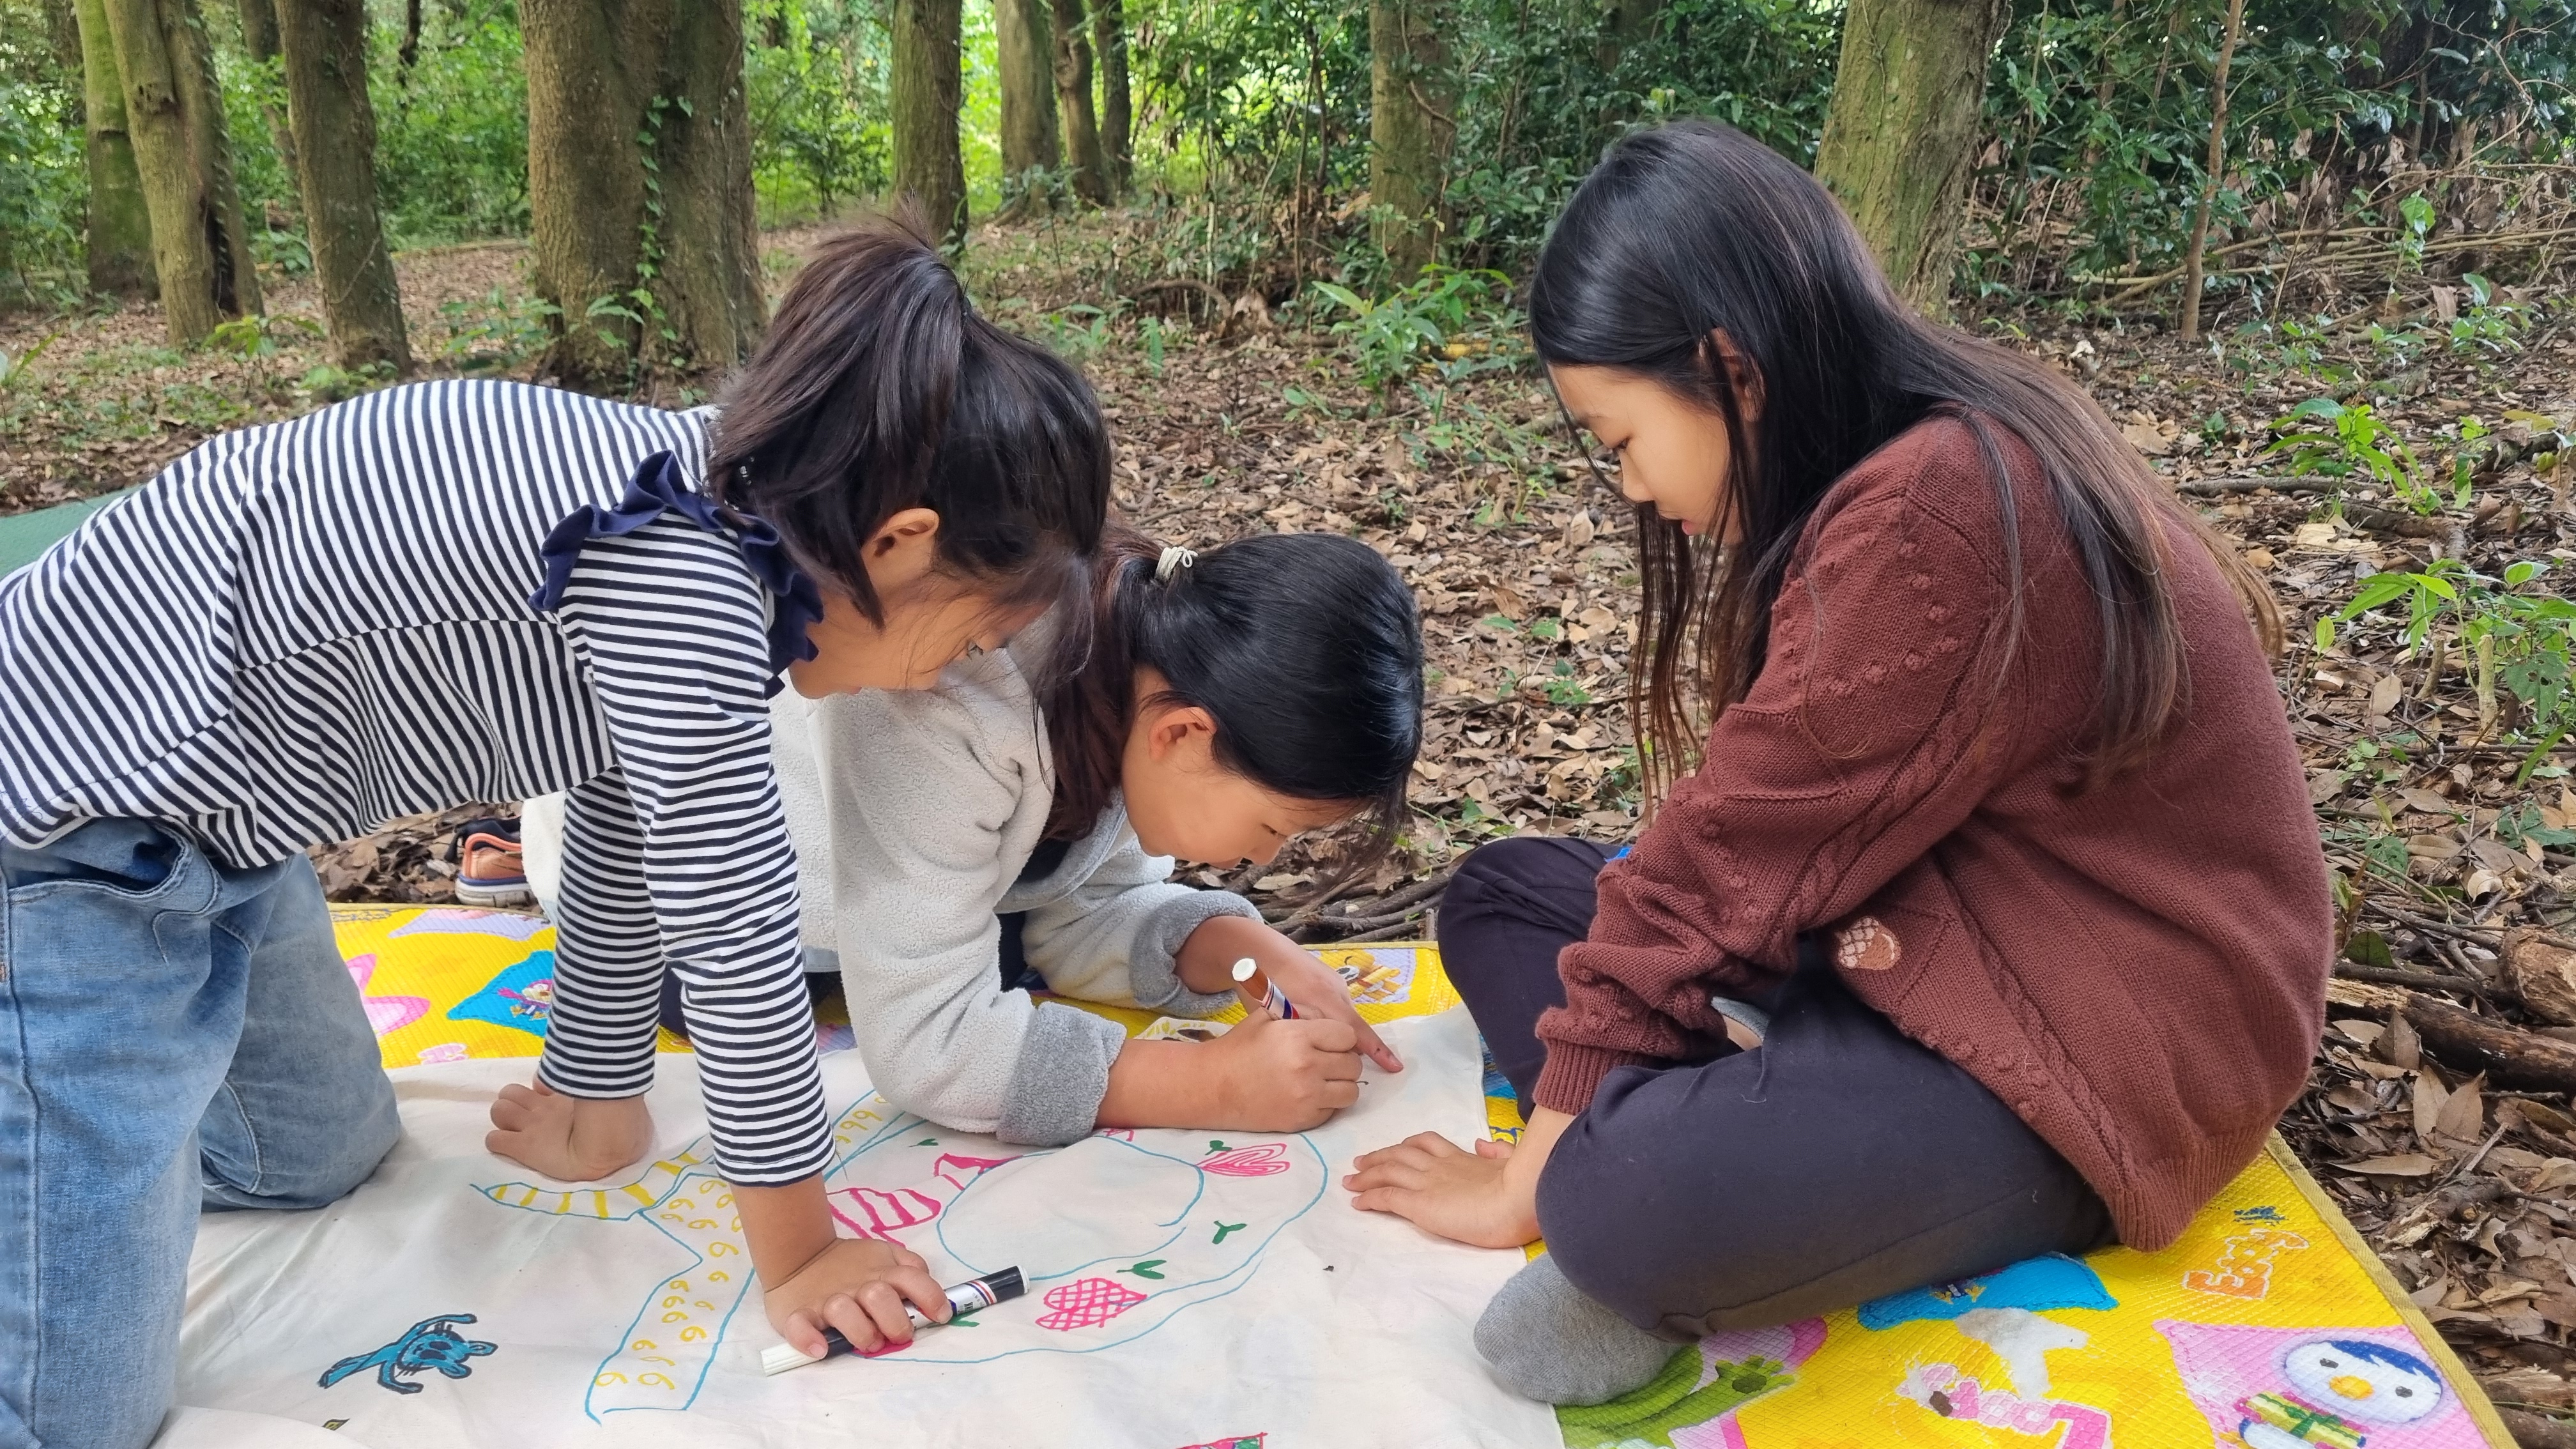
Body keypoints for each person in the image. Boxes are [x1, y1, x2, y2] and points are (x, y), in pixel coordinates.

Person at [0, 215, 1108, 1449]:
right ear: (898, 543)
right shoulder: (687, 581)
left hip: (231, 844)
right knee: (68, 1414)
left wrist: (596, 1088)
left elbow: (623, 819)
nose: (944, 677)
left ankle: (63, 1161)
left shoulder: (727, 516)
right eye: (968, 637)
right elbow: (732, 930)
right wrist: (801, 1255)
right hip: (70, 838)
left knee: (310, 1160)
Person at [1342, 119, 2332, 1405]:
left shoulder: (1938, 508)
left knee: (1615, 1201)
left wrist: (1523, 1188)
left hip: (2104, 1046)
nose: (1630, 487)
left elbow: (1725, 862)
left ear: (1730, 371)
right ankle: (1732, 1121)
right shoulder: (1912, 463)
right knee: (1501, 893)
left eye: (1619, 439)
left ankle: (1665, 1166)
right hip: (1923, 925)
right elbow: (1752, 839)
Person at [522, 524, 1427, 1144]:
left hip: (914, 873)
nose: (1262, 859)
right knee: (780, 1008)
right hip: (675, 894)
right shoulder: (955, 686)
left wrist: (1244, 952)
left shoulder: (1148, 663)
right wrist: (1210, 1087)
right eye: (1271, 827)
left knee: (1007, 961)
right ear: (1184, 734)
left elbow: (1078, 907)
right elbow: (926, 1048)